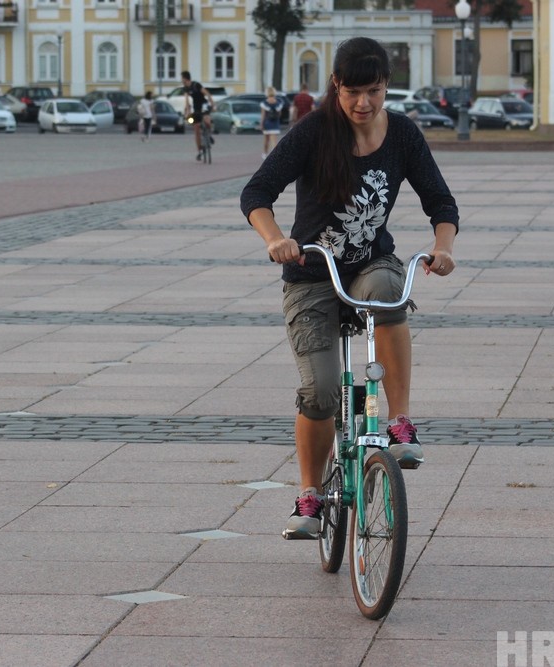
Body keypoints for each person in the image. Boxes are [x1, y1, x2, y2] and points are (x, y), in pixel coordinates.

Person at [240, 37, 458, 540]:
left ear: (387, 88)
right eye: (354, 91)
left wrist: (442, 248)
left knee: (389, 285)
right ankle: (310, 494)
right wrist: (275, 239)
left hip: (367, 264)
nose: (364, 103)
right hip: (312, 275)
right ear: (336, 85)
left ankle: (399, 422)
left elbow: (441, 203)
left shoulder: (402, 134)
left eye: (375, 91)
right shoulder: (314, 132)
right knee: (320, 393)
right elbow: (257, 192)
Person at [181, 71, 215, 161]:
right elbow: (187, 102)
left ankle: (209, 135)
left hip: (203, 105)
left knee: (207, 120)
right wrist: (187, 112)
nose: (181, 81)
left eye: (182, 79)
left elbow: (207, 94)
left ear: (185, 78)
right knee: (196, 128)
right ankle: (200, 150)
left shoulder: (196, 85)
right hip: (196, 109)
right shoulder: (185, 89)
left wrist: (212, 104)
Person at [260, 86, 284, 159]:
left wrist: (261, 124)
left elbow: (263, 115)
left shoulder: (264, 103)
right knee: (274, 141)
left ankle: (264, 154)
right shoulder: (278, 103)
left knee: (266, 140)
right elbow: (280, 114)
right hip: (275, 123)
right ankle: (275, 155)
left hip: (267, 123)